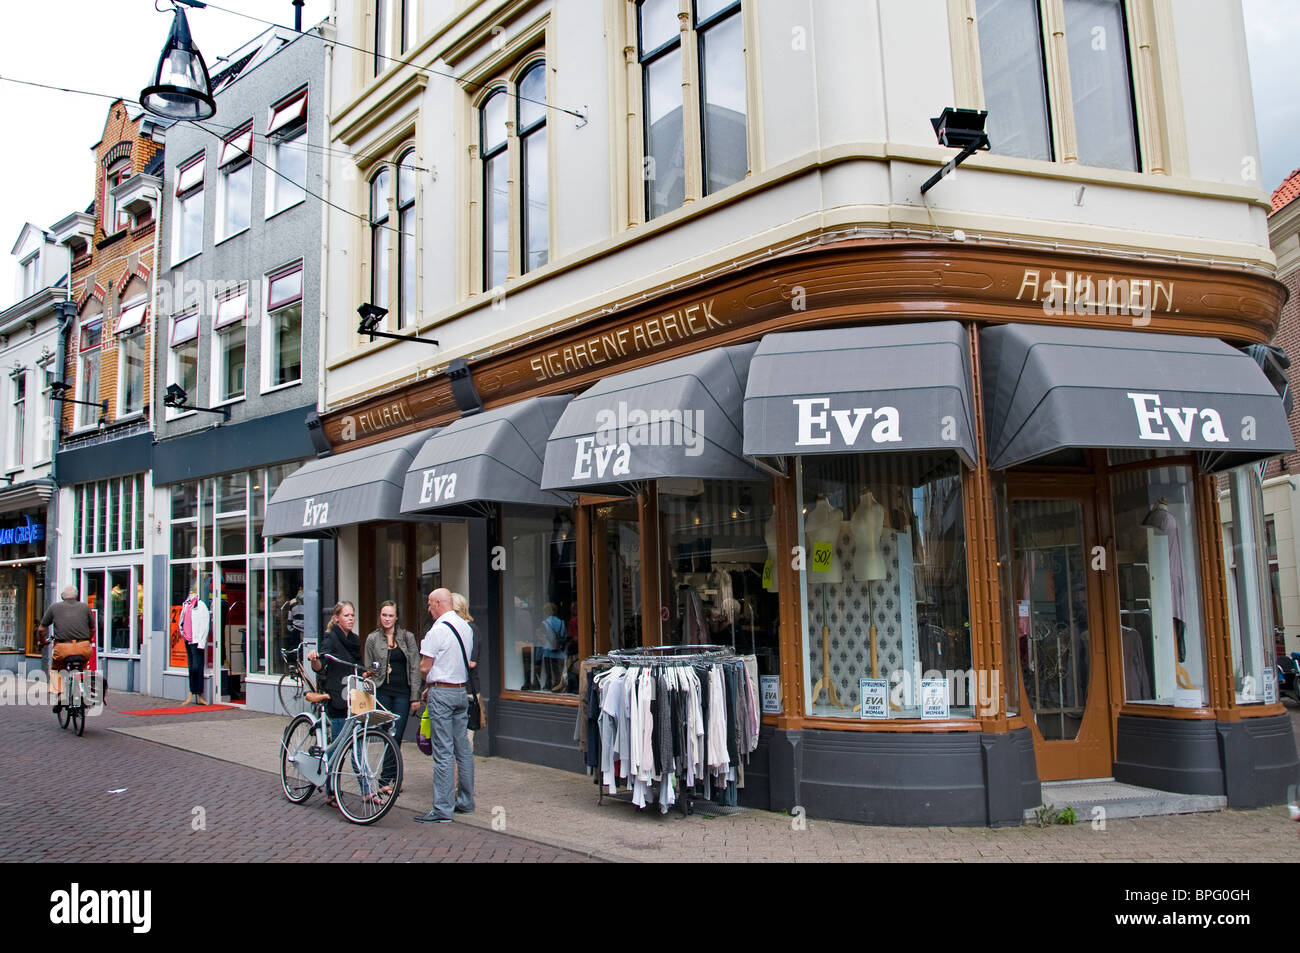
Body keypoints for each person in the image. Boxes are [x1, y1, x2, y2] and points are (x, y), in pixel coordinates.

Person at [414, 588, 475, 824]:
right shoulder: (465, 627)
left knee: (443, 751)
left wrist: (430, 681)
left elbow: (424, 667)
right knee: (463, 749)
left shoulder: (437, 630)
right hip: (461, 691)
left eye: (430, 604)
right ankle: (466, 801)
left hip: (442, 693)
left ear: (439, 603)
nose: (429, 609)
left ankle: (442, 808)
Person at [363, 601, 421, 796]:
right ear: (380, 616)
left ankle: (388, 778)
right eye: (384, 615)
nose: (387, 619)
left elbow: (414, 667)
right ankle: (388, 780)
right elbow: (368, 669)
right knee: (387, 733)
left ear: (396, 618)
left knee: (397, 734)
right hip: (383, 691)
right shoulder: (372, 639)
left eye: (390, 615)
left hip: (403, 693)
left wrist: (415, 696)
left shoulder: (407, 637)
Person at [308, 602, 362, 805]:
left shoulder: (354, 640)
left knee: (355, 745)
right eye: (347, 615)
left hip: (353, 696)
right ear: (337, 617)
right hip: (337, 696)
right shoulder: (331, 639)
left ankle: (363, 789)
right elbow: (321, 664)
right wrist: (314, 658)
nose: (350, 619)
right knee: (338, 746)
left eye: (352, 615)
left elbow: (358, 665)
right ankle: (331, 790)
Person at [39, 586, 94, 712]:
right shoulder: (85, 607)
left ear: (63, 596)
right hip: (83, 647)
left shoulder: (54, 607)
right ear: (76, 596)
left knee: (56, 669)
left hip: (63, 647)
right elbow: (92, 629)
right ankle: (85, 689)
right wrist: (87, 640)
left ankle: (60, 695)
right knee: (83, 666)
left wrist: (43, 641)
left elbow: (42, 629)